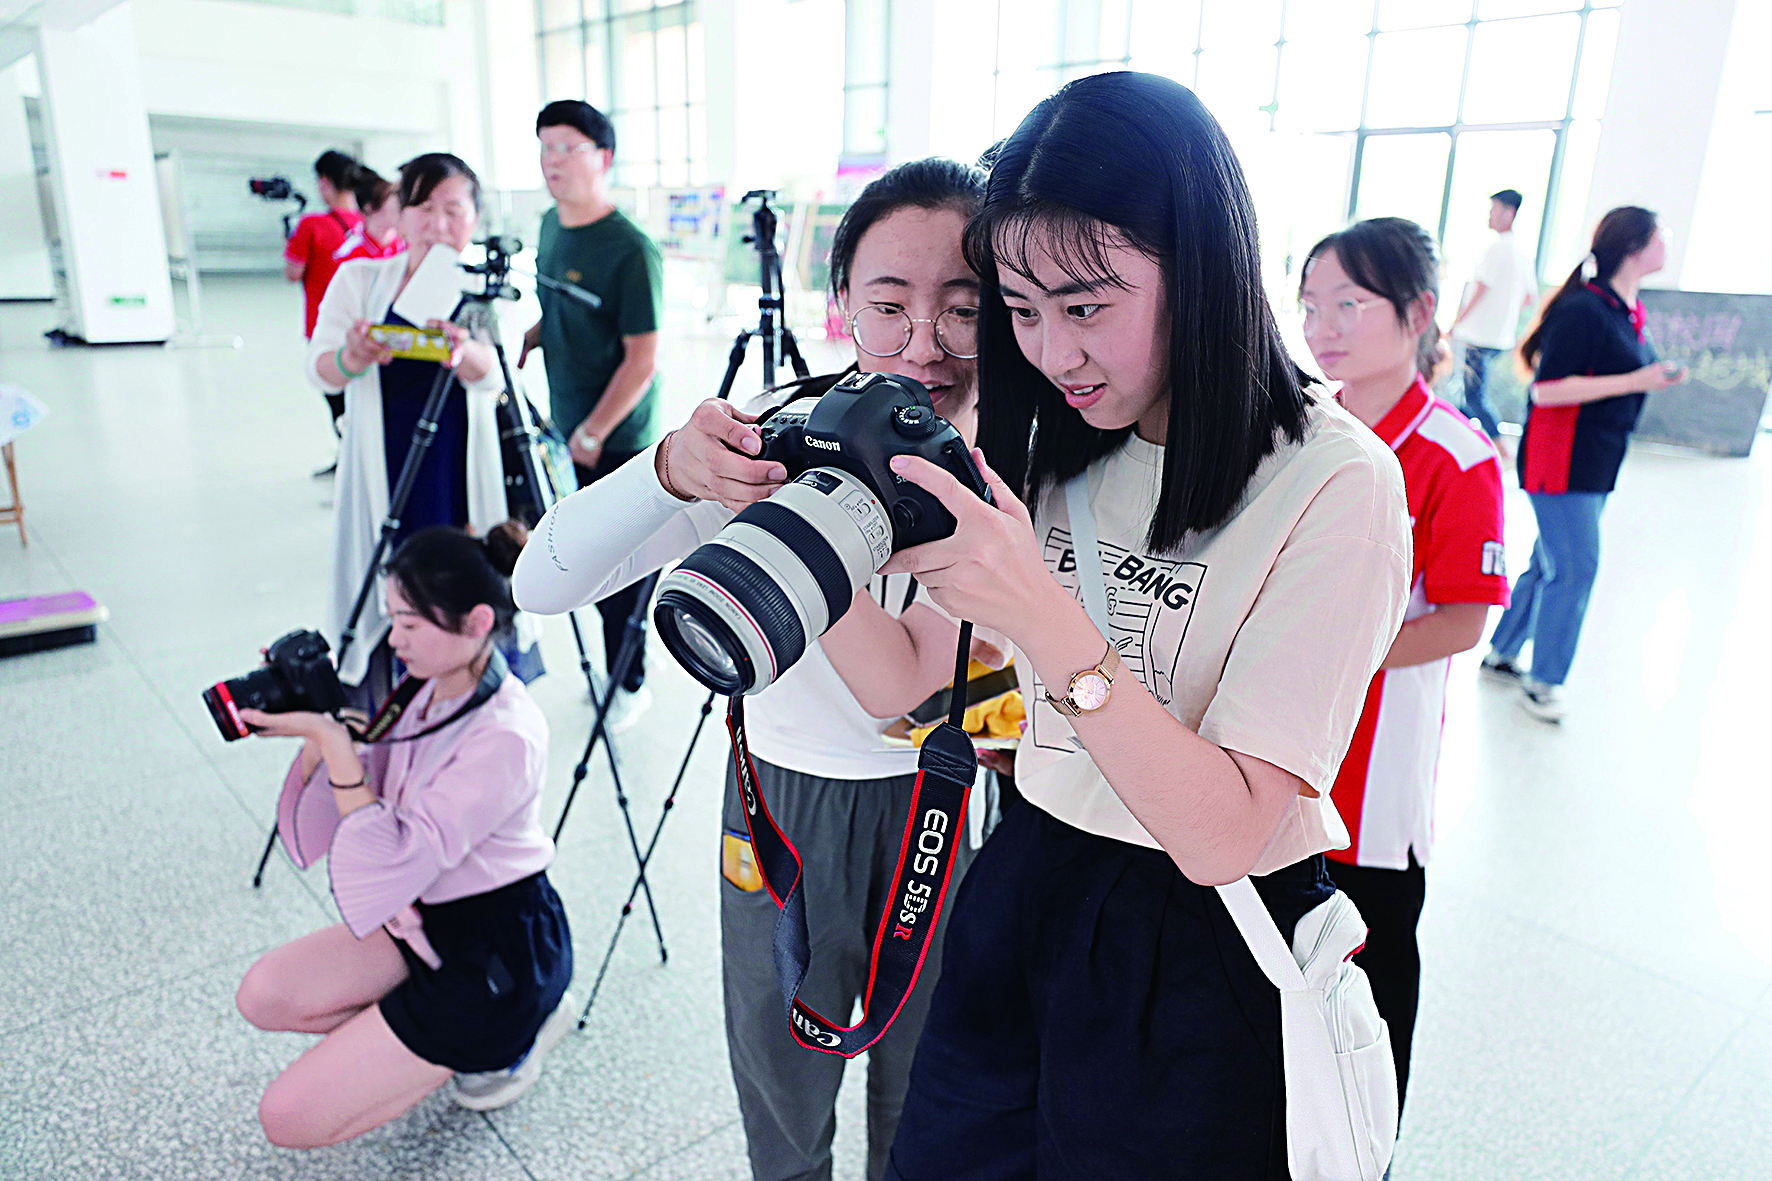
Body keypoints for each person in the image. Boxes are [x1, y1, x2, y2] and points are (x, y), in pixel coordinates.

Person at [805, 73, 1409, 1180]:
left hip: (1204, 939)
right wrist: (786, 526)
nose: (1054, 353)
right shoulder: (1056, 440)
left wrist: (1043, 614)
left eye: (1085, 308)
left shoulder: (1335, 483)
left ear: (1204, 267)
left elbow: (1224, 833)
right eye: (1021, 311)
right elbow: (898, 677)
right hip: (1025, 875)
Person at [513, 158, 997, 1181]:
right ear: (840, 304)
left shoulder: (1010, 469)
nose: (924, 343)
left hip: (940, 804)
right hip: (778, 798)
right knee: (781, 1088)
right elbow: (540, 583)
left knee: (929, 1095)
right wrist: (668, 472)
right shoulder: (776, 428)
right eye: (888, 306)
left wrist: (798, 527)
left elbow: (904, 684)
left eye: (963, 309)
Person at [234, 522, 574, 1147]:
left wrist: (335, 744)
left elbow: (392, 853)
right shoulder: (430, 684)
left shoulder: (508, 732)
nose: (394, 640)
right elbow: (382, 794)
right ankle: (423, 1034)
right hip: (421, 918)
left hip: (496, 952)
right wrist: (320, 726)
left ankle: (510, 1040)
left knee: (286, 1119)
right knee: (262, 995)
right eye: (393, 619)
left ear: (476, 622)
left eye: (410, 624)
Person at [1298, 217, 1511, 1117]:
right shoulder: (1302, 429)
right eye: (1311, 305)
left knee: (1368, 1010)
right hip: (1281, 760)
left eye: (1349, 304)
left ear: (1419, 313)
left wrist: (1328, 650)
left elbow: (1463, 618)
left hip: (1372, 796)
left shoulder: (1455, 456)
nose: (1323, 327)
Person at [307, 153, 505, 706]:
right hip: (386, 460)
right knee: (391, 571)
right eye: (422, 206)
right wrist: (352, 356)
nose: (437, 223)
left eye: (453, 210)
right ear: (399, 212)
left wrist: (463, 353)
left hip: (455, 463)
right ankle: (400, 700)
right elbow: (318, 369)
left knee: (458, 575)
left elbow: (498, 374)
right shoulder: (361, 279)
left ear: (474, 218)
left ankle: (461, 696)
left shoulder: (482, 288)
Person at [1481, 206, 1686, 722]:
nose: (1668, 242)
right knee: (1575, 568)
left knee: (1550, 561)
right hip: (1561, 461)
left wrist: (1652, 376)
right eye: (1661, 235)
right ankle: (1543, 682)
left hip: (1595, 461)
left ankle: (1502, 652)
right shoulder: (1583, 310)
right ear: (1634, 248)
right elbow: (1547, 390)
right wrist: (1637, 381)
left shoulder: (1624, 309)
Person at [520, 100, 664, 731]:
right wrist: (534, 337)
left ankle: (629, 683)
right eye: (545, 147)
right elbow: (562, 306)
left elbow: (642, 361)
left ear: (603, 158)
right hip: (567, 427)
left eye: (567, 148)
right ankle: (618, 669)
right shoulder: (551, 225)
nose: (552, 161)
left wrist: (594, 431)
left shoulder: (630, 249)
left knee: (621, 568)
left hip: (615, 438)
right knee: (582, 555)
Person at [287, 150, 368, 450]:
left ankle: (348, 456)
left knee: (337, 401)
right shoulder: (370, 223)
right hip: (364, 327)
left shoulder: (311, 225)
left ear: (324, 183)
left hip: (325, 326)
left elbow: (293, 273)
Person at [1449, 188, 1536, 441]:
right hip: (1499, 337)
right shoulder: (1523, 252)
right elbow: (1529, 298)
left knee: (1472, 398)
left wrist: (1456, 323)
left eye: (1493, 210)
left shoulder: (1497, 248)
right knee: (1466, 396)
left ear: (1509, 213)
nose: (1489, 215)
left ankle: (1500, 446)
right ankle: (1467, 442)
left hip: (1477, 335)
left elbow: (1480, 290)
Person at [332, 167, 405, 266]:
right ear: (369, 207)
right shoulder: (351, 256)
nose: (400, 207)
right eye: (394, 199)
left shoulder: (404, 246)